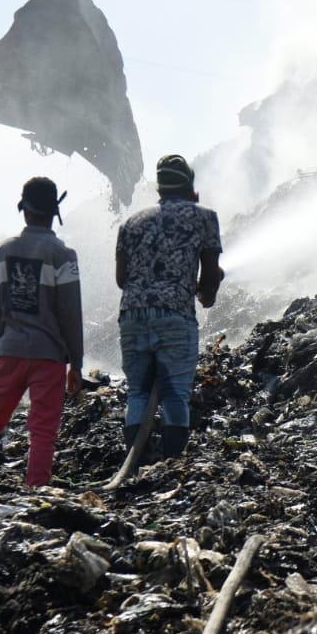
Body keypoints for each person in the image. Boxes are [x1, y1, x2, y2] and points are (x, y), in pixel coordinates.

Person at [0, 177, 83, 496]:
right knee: (43, 430)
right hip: (49, 357)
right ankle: (37, 491)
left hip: (9, 350)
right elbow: (70, 312)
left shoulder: (1, 252)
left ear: (24, 209)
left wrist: (3, 347)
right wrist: (75, 363)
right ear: (54, 212)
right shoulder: (64, 255)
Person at [116, 154, 224, 458]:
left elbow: (122, 278)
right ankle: (169, 465)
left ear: (160, 189)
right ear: (192, 189)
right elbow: (210, 278)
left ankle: (135, 467)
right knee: (176, 394)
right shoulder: (204, 216)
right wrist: (206, 293)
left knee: (137, 393)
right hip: (175, 316)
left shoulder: (131, 223)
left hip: (132, 316)